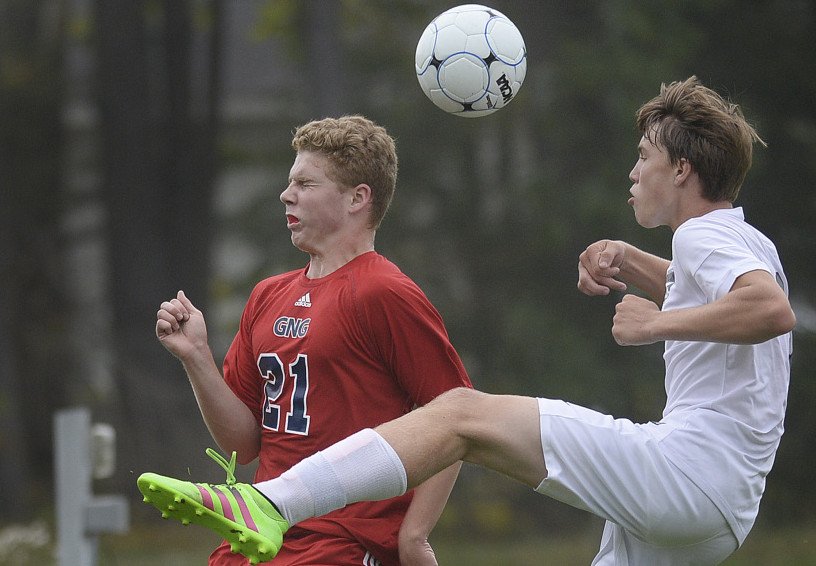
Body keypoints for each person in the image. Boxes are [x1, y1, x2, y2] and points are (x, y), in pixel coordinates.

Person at [139, 77, 796, 565]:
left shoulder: (703, 238)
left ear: (681, 170)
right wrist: (631, 259)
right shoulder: (734, 240)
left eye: (646, 156)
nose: (634, 170)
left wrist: (655, 326)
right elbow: (715, 293)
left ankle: (269, 502)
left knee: (461, 413)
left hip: (688, 474)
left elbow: (769, 311)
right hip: (721, 511)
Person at [147, 115, 472, 566]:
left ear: (358, 198)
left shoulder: (383, 291)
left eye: (305, 183)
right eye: (289, 181)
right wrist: (196, 356)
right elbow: (244, 446)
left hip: (343, 541)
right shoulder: (268, 295)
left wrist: (414, 536)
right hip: (259, 532)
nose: (287, 194)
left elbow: (458, 417)